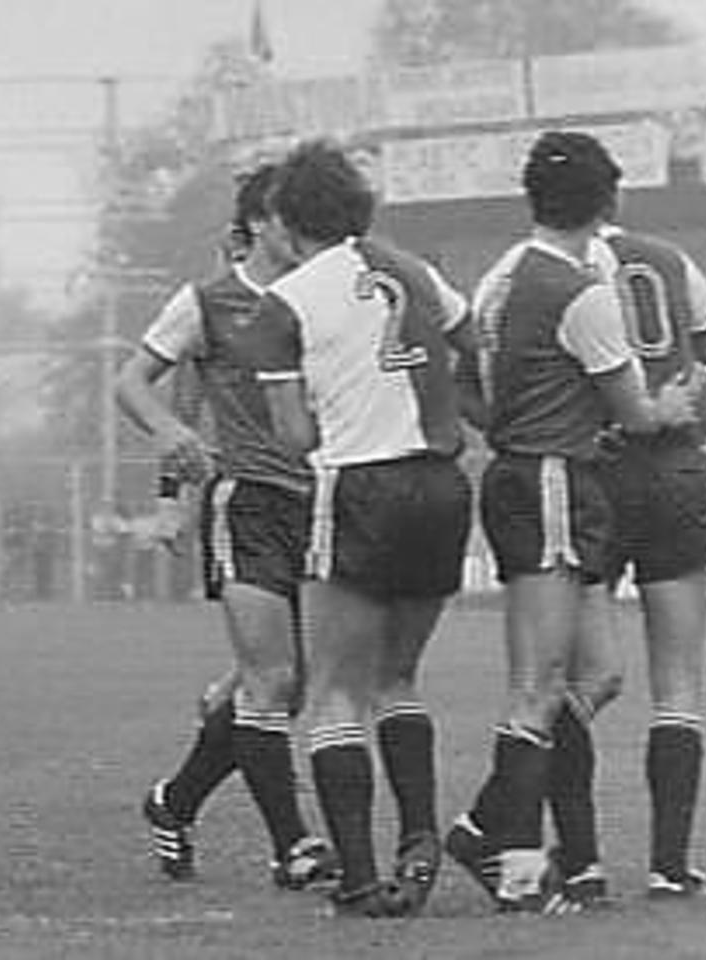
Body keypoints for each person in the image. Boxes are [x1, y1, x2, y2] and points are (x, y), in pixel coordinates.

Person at [445, 131, 698, 912]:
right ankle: (515, 872)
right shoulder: (581, 292)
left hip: (527, 475)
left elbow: (468, 389)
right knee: (537, 687)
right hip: (555, 480)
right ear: (609, 200)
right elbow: (637, 413)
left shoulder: (498, 277)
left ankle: (487, 827)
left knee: (594, 676)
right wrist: (672, 406)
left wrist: (517, 421)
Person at [250, 139, 477, 918]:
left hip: (359, 486)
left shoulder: (284, 303)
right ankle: (419, 834)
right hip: (441, 485)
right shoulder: (415, 271)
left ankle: (357, 879)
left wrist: (340, 411)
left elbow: (292, 436)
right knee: (398, 679)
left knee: (333, 690)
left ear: (286, 223)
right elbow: (472, 347)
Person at [116, 163, 334, 892]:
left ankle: (174, 803)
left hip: (322, 505)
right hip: (250, 503)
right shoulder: (207, 302)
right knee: (273, 680)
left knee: (284, 687)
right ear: (260, 224)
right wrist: (172, 454)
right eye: (289, 215)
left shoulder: (324, 296)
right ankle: (294, 848)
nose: (303, 229)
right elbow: (134, 382)